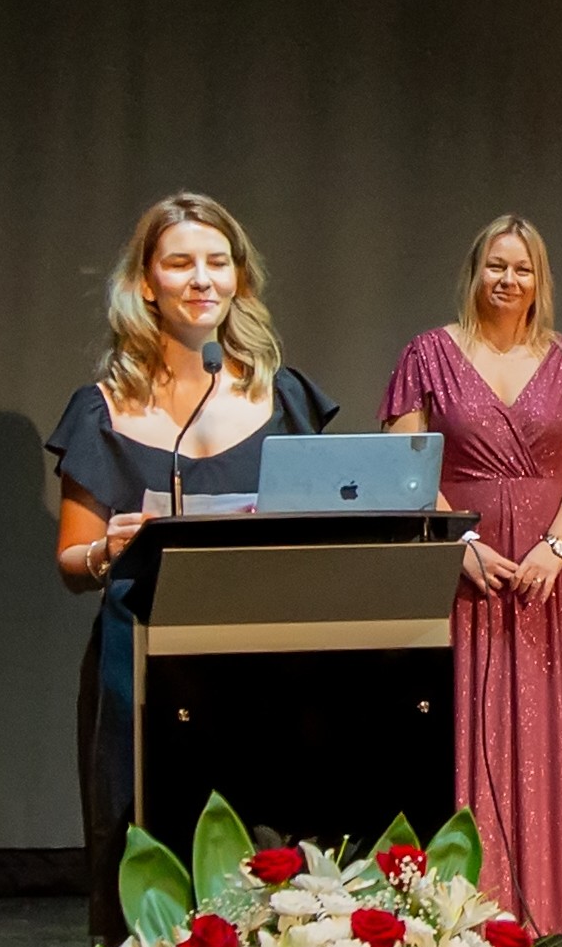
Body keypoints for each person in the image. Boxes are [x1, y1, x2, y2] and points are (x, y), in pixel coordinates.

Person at [51, 192, 344, 866]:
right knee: (147, 859)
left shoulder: (288, 399)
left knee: (271, 857)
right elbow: (70, 560)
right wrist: (105, 550)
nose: (201, 279)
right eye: (180, 263)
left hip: (269, 663)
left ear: (240, 278)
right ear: (145, 284)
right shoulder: (101, 410)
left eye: (217, 261)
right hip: (142, 663)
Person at [379, 216, 562, 935]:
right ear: (474, 272)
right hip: (463, 567)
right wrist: (458, 543)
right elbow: (401, 462)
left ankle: (549, 903)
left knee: (549, 728)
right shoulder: (428, 354)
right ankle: (462, 904)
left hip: (551, 573)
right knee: (463, 722)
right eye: (496, 265)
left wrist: (555, 545)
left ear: (539, 281)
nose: (508, 279)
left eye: (522, 268)